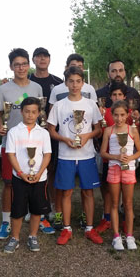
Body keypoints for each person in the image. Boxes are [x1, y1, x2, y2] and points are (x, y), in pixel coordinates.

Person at [46, 66, 103, 245]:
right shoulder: (59, 105)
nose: (75, 85)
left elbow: (99, 129)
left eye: (78, 81)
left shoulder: (90, 104)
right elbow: (51, 129)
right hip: (66, 156)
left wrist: (87, 136)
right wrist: (64, 139)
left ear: (83, 83)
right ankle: (66, 229)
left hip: (87, 155)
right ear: (66, 83)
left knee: (88, 192)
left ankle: (89, 228)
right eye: (71, 81)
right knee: (66, 193)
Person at [0, 48, 45, 239]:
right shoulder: (4, 88)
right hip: (11, 143)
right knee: (9, 183)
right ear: (11, 67)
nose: (21, 68)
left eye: (24, 64)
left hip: (34, 144)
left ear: (28, 65)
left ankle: (34, 217)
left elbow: (42, 114)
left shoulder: (37, 88)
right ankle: (6, 221)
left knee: (34, 181)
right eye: (17, 64)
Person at [3, 97, 52, 253]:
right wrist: (20, 172)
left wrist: (39, 173)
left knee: (37, 209)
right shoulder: (14, 132)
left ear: (38, 113)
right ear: (21, 112)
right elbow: (11, 154)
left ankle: (32, 236)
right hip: (20, 178)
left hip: (39, 178)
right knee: (17, 209)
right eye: (27, 112)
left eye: (33, 112)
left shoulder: (43, 133)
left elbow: (47, 155)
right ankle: (15, 237)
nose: (30, 115)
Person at [100, 100, 140, 250]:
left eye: (122, 115)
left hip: (129, 169)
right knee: (114, 203)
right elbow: (103, 152)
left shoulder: (133, 130)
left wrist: (129, 158)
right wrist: (116, 157)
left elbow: (139, 151)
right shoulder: (108, 131)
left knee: (128, 204)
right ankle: (116, 236)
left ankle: (129, 235)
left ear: (128, 114)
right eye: (116, 115)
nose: (119, 118)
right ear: (111, 115)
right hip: (113, 169)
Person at [28, 47, 63, 226]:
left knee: (51, 170)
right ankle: (32, 207)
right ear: (33, 60)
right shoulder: (27, 81)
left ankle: (51, 206)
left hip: (51, 132)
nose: (42, 59)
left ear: (49, 59)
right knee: (30, 166)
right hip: (31, 132)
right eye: (39, 57)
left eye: (45, 56)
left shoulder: (57, 82)